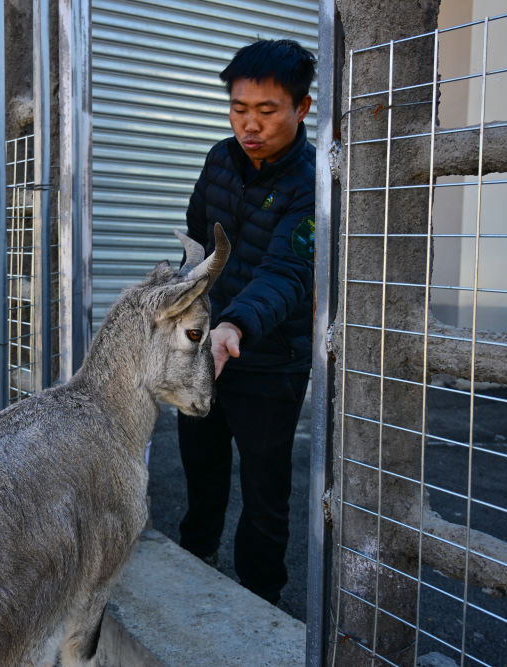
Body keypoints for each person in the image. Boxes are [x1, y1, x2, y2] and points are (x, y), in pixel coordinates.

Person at [177, 38, 316, 605]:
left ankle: (261, 599)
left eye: (266, 111)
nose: (249, 125)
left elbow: (288, 271)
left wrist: (233, 327)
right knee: (200, 466)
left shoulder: (314, 181)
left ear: (302, 108)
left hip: (271, 357)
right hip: (203, 349)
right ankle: (195, 562)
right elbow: (196, 241)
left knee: (265, 488)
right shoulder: (219, 159)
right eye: (239, 109)